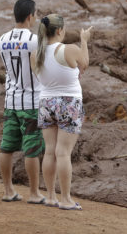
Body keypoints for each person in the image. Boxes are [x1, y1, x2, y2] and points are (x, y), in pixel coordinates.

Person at [33, 13, 92, 210]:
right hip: (68, 102)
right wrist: (84, 41)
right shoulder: (69, 49)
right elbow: (84, 63)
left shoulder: (36, 53)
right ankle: (65, 199)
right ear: (59, 30)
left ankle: (50, 196)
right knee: (63, 153)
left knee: (50, 151)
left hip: (46, 102)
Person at [0, 0, 46, 204]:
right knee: (32, 149)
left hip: (11, 101)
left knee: (6, 147)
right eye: (35, 14)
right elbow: (41, 68)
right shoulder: (35, 40)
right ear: (30, 16)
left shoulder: (2, 39)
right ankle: (34, 193)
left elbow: (8, 70)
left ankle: (8, 191)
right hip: (31, 103)